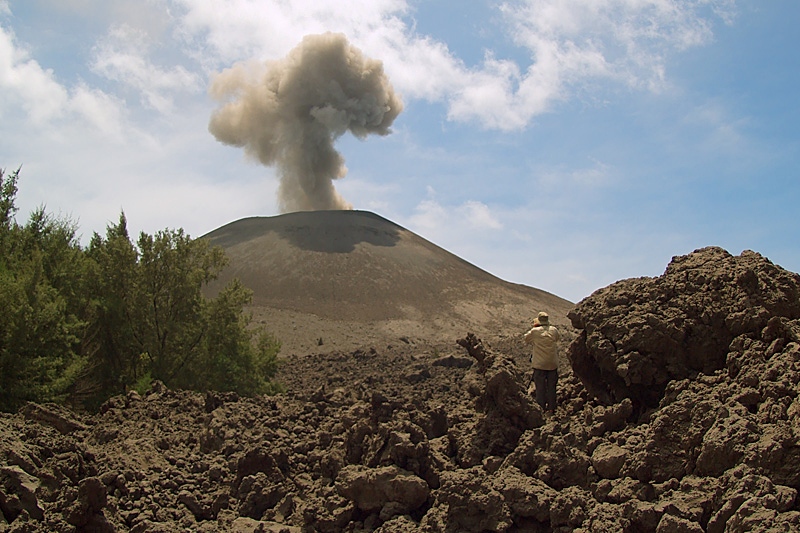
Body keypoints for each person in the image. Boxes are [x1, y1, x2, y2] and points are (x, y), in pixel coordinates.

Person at [524, 311, 561, 413]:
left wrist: (535, 327)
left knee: (540, 388)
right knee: (552, 387)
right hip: (552, 364)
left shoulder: (535, 331)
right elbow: (557, 338)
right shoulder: (554, 330)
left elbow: (526, 339)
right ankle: (552, 408)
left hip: (539, 364)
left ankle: (541, 409)